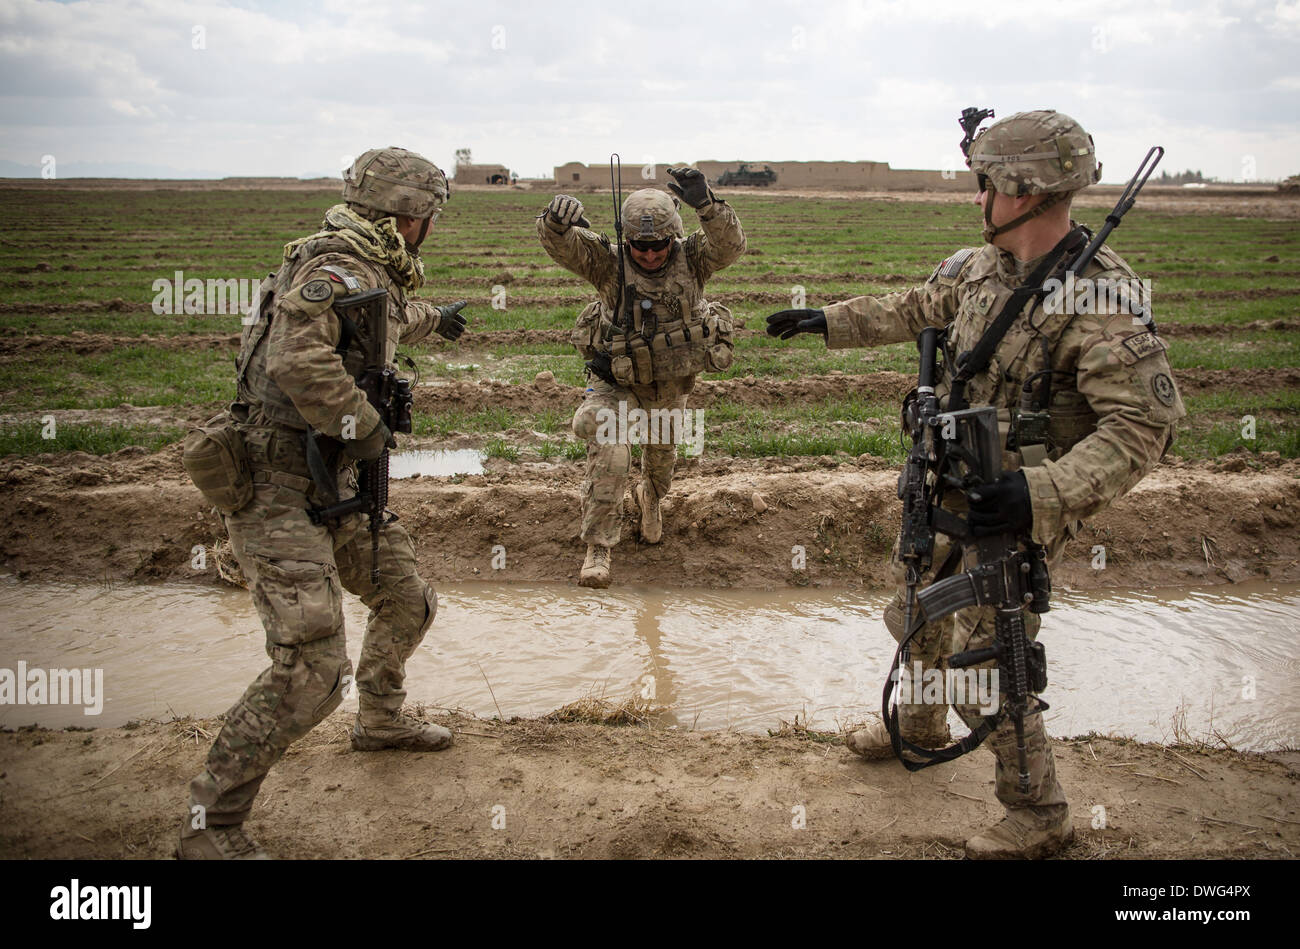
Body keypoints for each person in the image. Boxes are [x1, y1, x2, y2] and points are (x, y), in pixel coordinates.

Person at [766, 110, 1186, 858]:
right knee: (921, 613)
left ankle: (1037, 812)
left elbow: (1140, 431)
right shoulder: (981, 266)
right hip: (952, 478)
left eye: (986, 181)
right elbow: (916, 307)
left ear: (1022, 190)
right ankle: (919, 726)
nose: (978, 195)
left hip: (1017, 509)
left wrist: (1043, 494)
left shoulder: (1099, 300)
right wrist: (825, 320)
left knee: (992, 665)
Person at [178, 146, 471, 859]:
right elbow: (296, 359)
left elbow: (384, 317)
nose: (429, 227)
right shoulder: (335, 266)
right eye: (428, 215)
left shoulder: (369, 267)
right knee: (311, 665)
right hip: (277, 483)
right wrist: (365, 428)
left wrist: (441, 320)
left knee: (407, 597)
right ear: (411, 217)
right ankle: (210, 828)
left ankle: (382, 721)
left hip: (328, 478)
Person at [537, 167, 746, 588]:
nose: (649, 256)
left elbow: (731, 246)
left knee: (661, 465)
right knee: (612, 449)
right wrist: (555, 223)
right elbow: (563, 247)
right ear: (625, 240)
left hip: (670, 384)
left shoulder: (693, 257)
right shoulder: (607, 263)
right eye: (639, 247)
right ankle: (599, 545)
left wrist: (708, 205)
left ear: (674, 237)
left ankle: (650, 497)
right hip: (617, 380)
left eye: (659, 246)